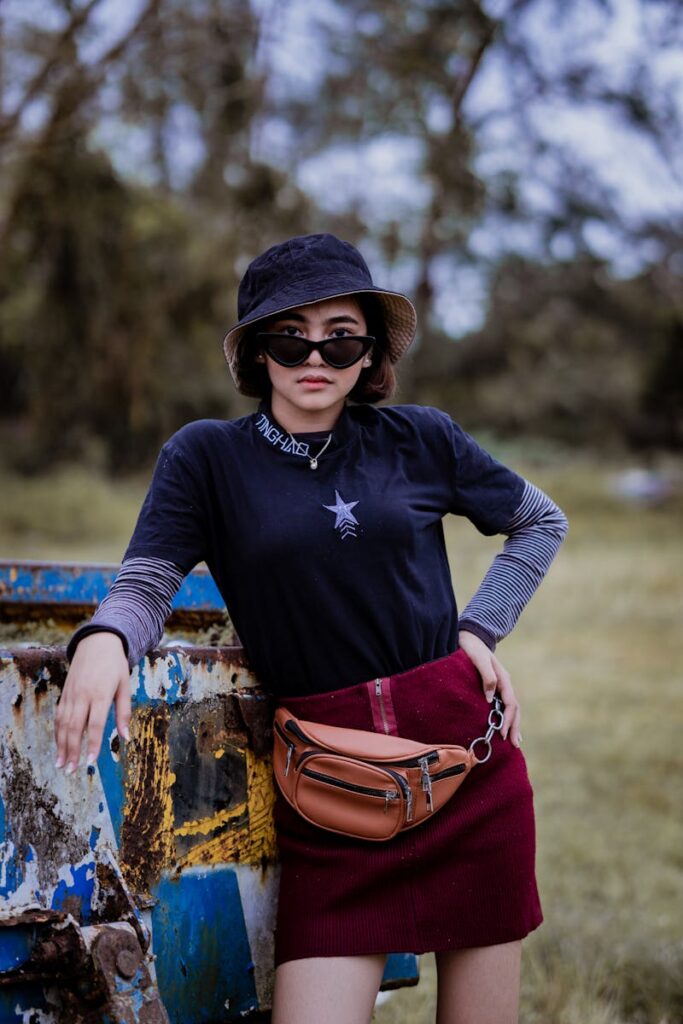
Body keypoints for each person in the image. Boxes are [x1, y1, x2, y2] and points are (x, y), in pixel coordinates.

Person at [56, 232, 568, 1024]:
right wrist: (105, 638)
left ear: (369, 353)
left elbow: (538, 520)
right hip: (329, 789)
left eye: (341, 336)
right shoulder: (207, 458)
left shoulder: (421, 438)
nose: (314, 355)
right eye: (289, 335)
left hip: (465, 766)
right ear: (258, 352)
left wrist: (479, 630)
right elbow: (150, 578)